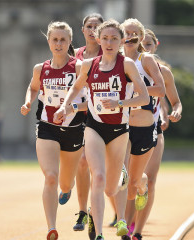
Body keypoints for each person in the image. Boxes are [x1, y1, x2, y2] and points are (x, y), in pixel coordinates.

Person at [54, 19, 149, 240]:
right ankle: (97, 232)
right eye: (105, 38)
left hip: (118, 130)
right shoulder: (89, 65)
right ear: (98, 39)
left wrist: (120, 104)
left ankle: (129, 179)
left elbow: (144, 96)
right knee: (97, 176)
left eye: (114, 39)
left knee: (110, 189)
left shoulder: (127, 65)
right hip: (94, 127)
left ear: (122, 41)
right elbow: (76, 86)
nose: (109, 43)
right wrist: (65, 106)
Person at [20, 21, 88, 240]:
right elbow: (32, 87)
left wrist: (70, 107)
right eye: (54, 39)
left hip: (74, 128)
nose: (58, 43)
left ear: (69, 42)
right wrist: (28, 102)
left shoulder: (78, 67)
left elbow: (90, 100)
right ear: (48, 41)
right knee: (50, 176)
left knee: (65, 182)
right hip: (47, 127)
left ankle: (68, 188)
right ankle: (51, 227)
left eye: (63, 40)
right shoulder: (41, 68)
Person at [121, 29, 182, 240]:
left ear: (156, 45)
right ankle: (126, 224)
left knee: (151, 179)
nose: (145, 48)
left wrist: (174, 112)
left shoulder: (163, 72)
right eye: (142, 44)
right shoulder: (124, 66)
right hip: (127, 128)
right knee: (130, 178)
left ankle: (136, 231)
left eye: (149, 45)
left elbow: (172, 101)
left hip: (153, 128)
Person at [72, 13, 104, 234]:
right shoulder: (75, 56)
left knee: (99, 169)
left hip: (102, 116)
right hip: (78, 115)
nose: (93, 29)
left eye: (97, 26)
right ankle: (83, 211)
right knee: (82, 163)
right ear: (82, 30)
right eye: (89, 26)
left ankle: (97, 212)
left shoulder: (110, 54)